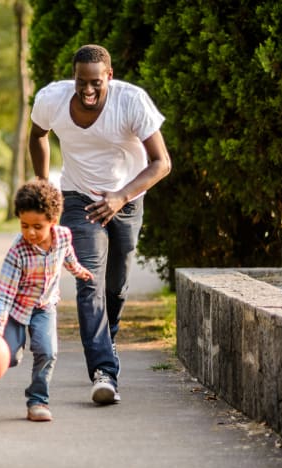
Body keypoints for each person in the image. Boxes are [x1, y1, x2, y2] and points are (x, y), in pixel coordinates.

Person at [28, 44, 171, 405]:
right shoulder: (52, 99)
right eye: (80, 82)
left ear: (109, 75)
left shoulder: (131, 101)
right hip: (78, 197)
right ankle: (104, 371)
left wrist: (121, 197)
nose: (87, 91)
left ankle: (108, 339)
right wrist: (45, 185)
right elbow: (37, 135)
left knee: (116, 287)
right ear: (73, 77)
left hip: (127, 198)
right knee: (88, 281)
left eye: (95, 83)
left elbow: (161, 163)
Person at [0, 179, 94, 422]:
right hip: (16, 308)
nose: (30, 233)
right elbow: (3, 293)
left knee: (47, 352)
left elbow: (67, 257)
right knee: (9, 357)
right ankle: (14, 347)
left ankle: (37, 401)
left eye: (37, 226)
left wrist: (79, 271)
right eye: (24, 226)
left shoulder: (64, 236)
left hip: (45, 306)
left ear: (53, 222)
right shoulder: (18, 251)